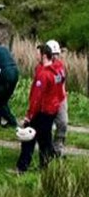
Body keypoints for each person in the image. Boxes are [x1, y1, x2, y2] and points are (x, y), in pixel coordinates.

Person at [12, 44, 64, 174]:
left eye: (39, 54)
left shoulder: (44, 75)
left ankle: (21, 167)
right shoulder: (57, 71)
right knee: (45, 139)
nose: (36, 56)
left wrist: (29, 115)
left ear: (44, 56)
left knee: (28, 139)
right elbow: (60, 92)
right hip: (52, 110)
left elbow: (36, 97)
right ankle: (46, 166)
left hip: (41, 111)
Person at [46, 39, 68, 155]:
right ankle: (47, 149)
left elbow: (63, 82)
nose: (55, 57)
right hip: (48, 101)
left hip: (60, 99)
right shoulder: (42, 67)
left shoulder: (60, 66)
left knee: (63, 123)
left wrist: (63, 96)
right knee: (46, 126)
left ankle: (58, 148)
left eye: (56, 54)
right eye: (53, 54)